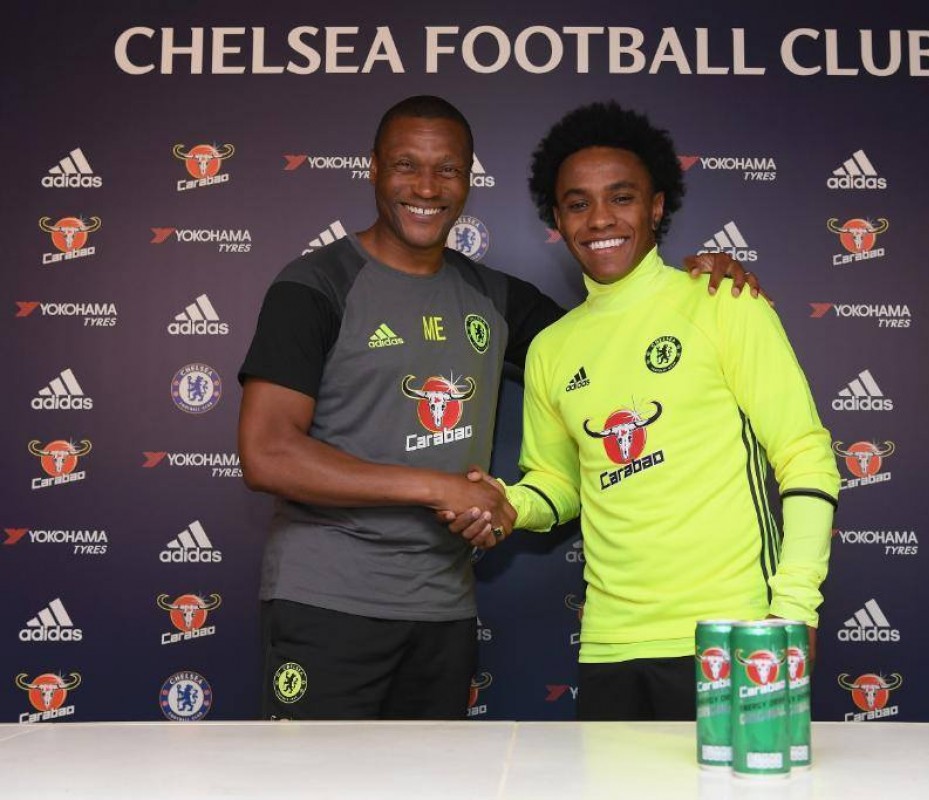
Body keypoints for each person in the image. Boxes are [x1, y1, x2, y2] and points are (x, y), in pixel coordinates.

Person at [237, 95, 760, 720]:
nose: (426, 187)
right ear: (373, 168)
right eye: (406, 165)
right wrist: (435, 486)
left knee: (433, 772)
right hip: (326, 601)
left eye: (447, 169)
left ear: (468, 179)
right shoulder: (314, 285)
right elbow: (267, 454)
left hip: (444, 610)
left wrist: (699, 286)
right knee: (313, 773)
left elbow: (612, 343)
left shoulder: (492, 295)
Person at [450, 101, 838, 721]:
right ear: (558, 220)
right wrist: (506, 503)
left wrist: (793, 608)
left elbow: (805, 456)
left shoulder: (724, 301)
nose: (600, 218)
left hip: (736, 636)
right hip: (610, 646)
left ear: (656, 207)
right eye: (578, 203)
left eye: (622, 197)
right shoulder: (552, 348)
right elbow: (558, 484)